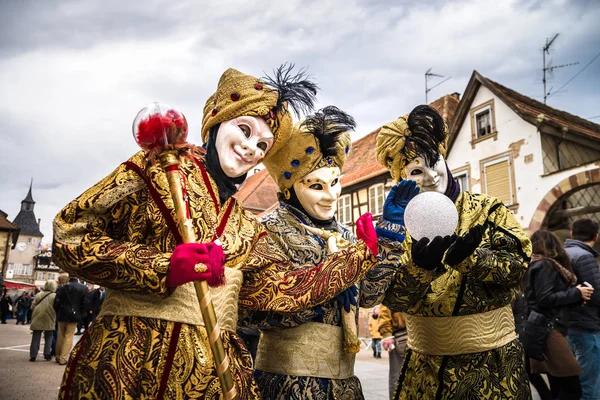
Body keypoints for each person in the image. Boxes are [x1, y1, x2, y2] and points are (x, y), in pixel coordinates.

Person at [52, 65, 376, 399]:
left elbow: (281, 289)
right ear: (216, 121)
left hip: (212, 376)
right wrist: (161, 267)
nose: (252, 148)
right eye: (245, 130)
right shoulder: (160, 169)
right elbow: (70, 234)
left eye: (263, 145)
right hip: (131, 363)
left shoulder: (244, 226)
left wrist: (357, 257)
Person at [239, 107, 399, 400]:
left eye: (335, 182)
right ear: (289, 188)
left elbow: (369, 297)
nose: (331, 195)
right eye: (316, 186)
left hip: (345, 387)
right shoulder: (264, 231)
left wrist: (388, 242)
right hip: (287, 388)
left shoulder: (346, 235)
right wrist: (319, 294)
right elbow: (246, 311)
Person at [376, 105, 533, 399]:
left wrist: (473, 260)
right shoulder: (400, 228)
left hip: (492, 368)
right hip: (425, 372)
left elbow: (519, 267)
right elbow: (391, 298)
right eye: (416, 171)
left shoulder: (490, 211)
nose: (432, 176)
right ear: (402, 179)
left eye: (433, 162)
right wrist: (418, 269)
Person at [526, 230, 592, 400]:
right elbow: (545, 298)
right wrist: (576, 293)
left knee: (557, 384)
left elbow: (546, 297)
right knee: (572, 387)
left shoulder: (534, 264)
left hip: (544, 326)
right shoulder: (545, 265)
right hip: (549, 329)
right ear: (553, 245)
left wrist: (577, 297)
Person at [564, 218, 600, 399]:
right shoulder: (584, 256)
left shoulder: (562, 253)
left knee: (576, 381)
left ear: (571, 234)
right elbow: (596, 292)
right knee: (590, 383)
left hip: (567, 324)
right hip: (587, 324)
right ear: (596, 236)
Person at [54, 275, 87, 365]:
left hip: (62, 313)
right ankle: (63, 358)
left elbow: (56, 302)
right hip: (74, 314)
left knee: (60, 335)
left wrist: (58, 312)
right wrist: (81, 315)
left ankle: (57, 356)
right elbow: (84, 303)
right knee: (69, 336)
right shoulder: (83, 288)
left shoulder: (61, 287)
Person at [379, 304, 407, 399]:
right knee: (397, 377)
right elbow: (384, 311)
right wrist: (386, 334)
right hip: (402, 336)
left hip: (419, 334)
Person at [29, 280, 57, 362]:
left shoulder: (39, 294)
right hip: (49, 316)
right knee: (49, 336)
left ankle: (33, 355)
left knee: (36, 336)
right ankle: (47, 354)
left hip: (37, 316)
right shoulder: (54, 296)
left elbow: (32, 306)